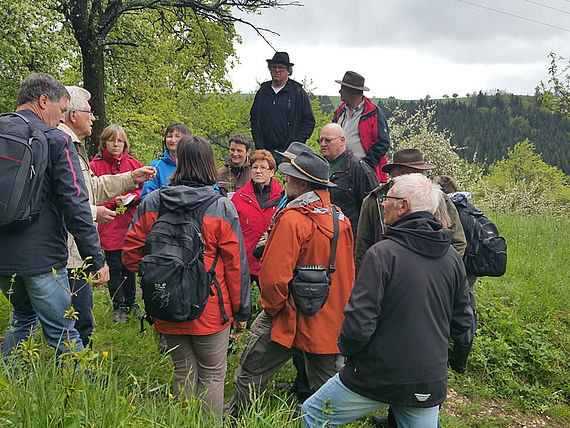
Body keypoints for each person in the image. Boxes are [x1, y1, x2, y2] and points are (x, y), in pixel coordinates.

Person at [301, 173, 474, 428]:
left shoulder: (382, 254)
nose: (382, 203)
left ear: (403, 206)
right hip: (426, 380)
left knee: (312, 414)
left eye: (388, 198)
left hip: (376, 374)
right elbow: (464, 323)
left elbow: (359, 322)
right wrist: (452, 363)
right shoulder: (450, 258)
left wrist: (350, 357)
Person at [122, 135, 250, 418]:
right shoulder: (221, 207)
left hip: (165, 302)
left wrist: (159, 275)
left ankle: (183, 422)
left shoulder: (153, 202)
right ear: (208, 164)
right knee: (213, 375)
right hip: (211, 308)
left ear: (178, 161)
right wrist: (242, 312)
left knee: (183, 370)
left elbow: (130, 256)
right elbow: (235, 266)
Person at [226, 150, 355, 417]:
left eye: (291, 176)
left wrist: (272, 310)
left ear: (304, 184)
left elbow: (273, 278)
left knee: (252, 371)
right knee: (326, 388)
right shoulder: (341, 219)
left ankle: (237, 420)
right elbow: (347, 274)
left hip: (286, 314)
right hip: (327, 318)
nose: (285, 178)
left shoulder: (292, 219)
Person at [0, 73, 109, 357]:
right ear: (43, 100)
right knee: (63, 331)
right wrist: (95, 259)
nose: (62, 119)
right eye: (61, 110)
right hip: (42, 259)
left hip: (2, 258)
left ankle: (11, 385)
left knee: (22, 317)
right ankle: (81, 392)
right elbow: (76, 204)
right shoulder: (55, 140)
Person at [58, 86, 155, 346]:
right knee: (75, 317)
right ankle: (76, 371)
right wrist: (96, 211)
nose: (93, 117)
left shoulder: (74, 148)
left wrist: (131, 179)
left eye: (120, 141)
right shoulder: (61, 145)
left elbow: (91, 189)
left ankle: (73, 367)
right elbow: (66, 201)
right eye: (89, 113)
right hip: (69, 247)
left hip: (100, 236)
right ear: (73, 114)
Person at [355, 148, 467, 273]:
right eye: (413, 173)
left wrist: (441, 270)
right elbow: (362, 247)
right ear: (397, 176)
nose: (420, 178)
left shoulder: (440, 199)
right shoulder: (374, 200)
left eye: (420, 173)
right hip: (388, 276)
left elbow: (458, 242)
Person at [90, 124, 144, 323]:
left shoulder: (133, 163)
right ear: (104, 142)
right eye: (112, 140)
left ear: (125, 143)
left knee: (129, 264)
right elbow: (92, 196)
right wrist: (115, 202)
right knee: (114, 266)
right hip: (109, 223)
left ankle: (131, 302)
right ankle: (118, 306)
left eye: (119, 140)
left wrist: (131, 198)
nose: (116, 144)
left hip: (129, 222)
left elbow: (141, 189)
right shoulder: (94, 165)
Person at [250, 51, 315, 164]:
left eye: (281, 67)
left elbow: (309, 122)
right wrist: (258, 143)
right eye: (274, 67)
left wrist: (297, 144)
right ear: (270, 69)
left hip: (288, 154)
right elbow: (254, 118)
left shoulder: (297, 92)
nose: (277, 70)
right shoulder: (263, 91)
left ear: (288, 71)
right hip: (265, 152)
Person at [231, 150, 283, 285]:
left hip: (272, 262)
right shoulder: (239, 197)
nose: (258, 171)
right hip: (244, 262)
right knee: (241, 303)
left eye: (263, 167)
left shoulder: (283, 198)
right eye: (254, 167)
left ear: (272, 172)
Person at [319, 123, 378, 237]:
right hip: (322, 236)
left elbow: (371, 210)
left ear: (342, 141)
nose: (323, 144)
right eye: (320, 140)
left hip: (349, 237)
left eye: (328, 140)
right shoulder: (318, 167)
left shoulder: (359, 169)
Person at [333, 71, 390, 182]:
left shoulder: (374, 112)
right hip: (339, 170)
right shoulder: (340, 111)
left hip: (364, 173)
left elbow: (383, 143)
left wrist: (365, 165)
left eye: (342, 88)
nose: (339, 91)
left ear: (352, 91)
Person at [141, 123, 191, 198]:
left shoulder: (195, 164)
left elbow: (213, 192)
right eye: (169, 136)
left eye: (177, 136)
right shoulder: (155, 166)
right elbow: (146, 197)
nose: (173, 140)